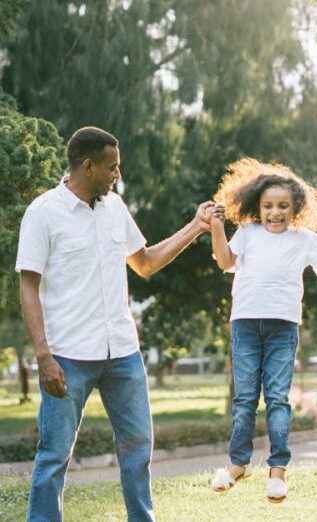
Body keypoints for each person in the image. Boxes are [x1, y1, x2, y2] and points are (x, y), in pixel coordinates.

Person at [16, 126, 214, 522]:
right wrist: (43, 355)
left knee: (138, 447)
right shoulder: (43, 212)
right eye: (112, 167)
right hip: (68, 355)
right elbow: (28, 286)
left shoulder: (115, 208)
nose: (117, 174)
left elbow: (145, 263)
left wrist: (197, 226)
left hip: (122, 352)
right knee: (54, 454)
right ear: (87, 166)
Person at [208, 157, 317, 502]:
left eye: (282, 206)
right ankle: (237, 464)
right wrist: (216, 228)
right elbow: (224, 261)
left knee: (277, 398)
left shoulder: (303, 239)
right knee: (245, 398)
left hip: (283, 327)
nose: (274, 213)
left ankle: (277, 471)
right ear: (257, 207)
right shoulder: (247, 233)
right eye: (268, 206)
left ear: (296, 210)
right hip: (246, 324)